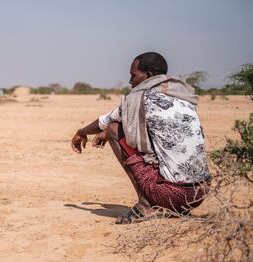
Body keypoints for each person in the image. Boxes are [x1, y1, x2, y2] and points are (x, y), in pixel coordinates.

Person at [71, 52, 210, 224]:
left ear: (148, 76)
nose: (130, 81)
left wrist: (81, 132)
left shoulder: (140, 99)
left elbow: (106, 121)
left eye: (133, 75)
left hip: (171, 193)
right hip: (199, 193)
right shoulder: (183, 97)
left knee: (113, 128)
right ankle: (172, 207)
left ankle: (145, 205)